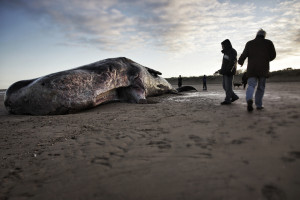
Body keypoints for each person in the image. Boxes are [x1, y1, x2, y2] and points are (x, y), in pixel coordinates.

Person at [238, 29, 276, 112]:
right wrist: (266, 59)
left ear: (256, 35)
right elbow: (273, 55)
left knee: (251, 85)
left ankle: (249, 100)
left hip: (252, 69)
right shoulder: (269, 43)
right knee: (261, 87)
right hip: (264, 68)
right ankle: (259, 105)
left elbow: (244, 54)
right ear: (264, 35)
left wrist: (240, 61)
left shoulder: (250, 43)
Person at [219, 39, 239, 105]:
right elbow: (225, 63)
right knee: (225, 86)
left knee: (228, 87)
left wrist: (228, 70)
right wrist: (222, 70)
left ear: (226, 45)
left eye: (223, 45)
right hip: (225, 72)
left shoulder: (232, 51)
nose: (222, 47)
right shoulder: (226, 52)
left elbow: (232, 62)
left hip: (229, 72)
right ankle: (234, 96)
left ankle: (228, 100)